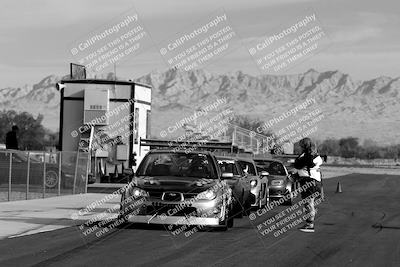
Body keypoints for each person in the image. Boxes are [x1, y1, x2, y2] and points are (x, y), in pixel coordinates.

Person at [294, 137, 323, 233]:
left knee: (309, 203)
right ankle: (309, 224)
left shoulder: (308, 156)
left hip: (309, 182)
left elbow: (300, 166)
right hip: (311, 181)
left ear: (304, 146)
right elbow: (303, 168)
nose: (298, 147)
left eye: (300, 145)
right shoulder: (311, 155)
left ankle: (310, 225)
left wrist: (296, 167)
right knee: (309, 203)